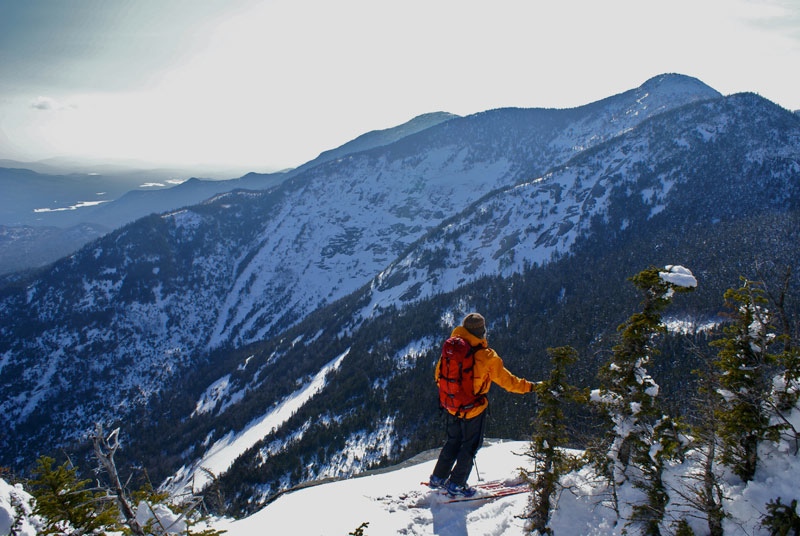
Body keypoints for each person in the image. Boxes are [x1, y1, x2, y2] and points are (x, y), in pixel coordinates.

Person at [429, 312, 537, 497]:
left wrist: (453, 396)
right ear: (482, 331)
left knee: (453, 441)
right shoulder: (487, 356)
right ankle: (457, 484)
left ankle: (438, 477)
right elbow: (509, 382)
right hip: (473, 408)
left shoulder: (451, 348)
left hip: (451, 405)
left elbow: (438, 376)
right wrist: (531, 387)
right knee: (470, 446)